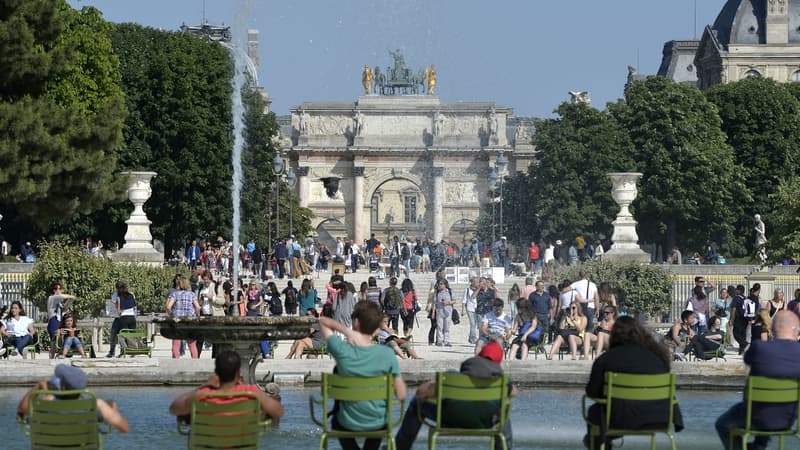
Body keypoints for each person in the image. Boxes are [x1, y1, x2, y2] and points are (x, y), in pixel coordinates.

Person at [583, 316, 683, 450]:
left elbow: (592, 391)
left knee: (595, 411)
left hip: (618, 419)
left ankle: (601, 443)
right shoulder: (657, 359)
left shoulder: (606, 359)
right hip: (658, 418)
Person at [394, 341, 517, 450]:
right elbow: (514, 392)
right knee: (503, 411)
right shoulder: (501, 383)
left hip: (448, 419)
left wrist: (434, 383)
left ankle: (400, 447)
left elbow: (420, 392)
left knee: (417, 403)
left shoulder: (450, 377)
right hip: (484, 422)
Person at [318, 301, 407, 450]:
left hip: (346, 423)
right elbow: (402, 395)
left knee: (336, 422)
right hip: (377, 423)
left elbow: (322, 321)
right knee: (379, 426)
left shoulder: (342, 350)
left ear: (356, 322)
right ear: (376, 327)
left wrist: (347, 331)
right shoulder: (387, 354)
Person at [715, 311, 800, 450]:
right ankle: (758, 446)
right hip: (788, 418)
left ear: (772, 329)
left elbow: (748, 361)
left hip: (755, 416)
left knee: (723, 424)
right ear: (797, 330)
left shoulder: (759, 348)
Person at [170, 350, 284, 424]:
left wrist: (204, 386)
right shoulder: (250, 393)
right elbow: (278, 411)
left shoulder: (203, 394)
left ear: (216, 373)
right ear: (239, 374)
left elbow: (174, 408)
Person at [17, 364, 129, 432]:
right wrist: (112, 411)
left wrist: (38, 387)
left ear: (62, 386)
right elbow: (124, 428)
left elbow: (22, 411)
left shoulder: (48, 403)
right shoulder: (94, 404)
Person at [166, 276, 200, 359]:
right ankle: (195, 361)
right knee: (192, 344)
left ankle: (176, 361)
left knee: (176, 343)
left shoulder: (175, 294)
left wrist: (171, 314)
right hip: (189, 321)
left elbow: (168, 306)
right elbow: (198, 307)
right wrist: (196, 315)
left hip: (178, 321)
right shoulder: (192, 294)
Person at [106, 281, 137, 358]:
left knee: (125, 334)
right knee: (114, 333)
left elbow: (117, 305)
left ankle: (125, 351)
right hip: (120, 317)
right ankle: (112, 351)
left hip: (122, 316)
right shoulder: (117, 294)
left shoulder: (125, 295)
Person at [46, 282, 76, 359]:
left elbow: (66, 307)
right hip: (53, 322)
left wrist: (71, 300)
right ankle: (53, 357)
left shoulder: (60, 304)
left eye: (59, 288)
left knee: (59, 340)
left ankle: (58, 355)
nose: (58, 290)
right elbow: (62, 296)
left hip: (60, 322)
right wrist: (71, 296)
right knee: (55, 341)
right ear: (53, 290)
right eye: (56, 288)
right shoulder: (51, 298)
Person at [434, 279, 455, 347]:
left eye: (441, 284)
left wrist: (448, 302)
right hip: (439, 311)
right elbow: (434, 303)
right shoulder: (437, 292)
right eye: (439, 284)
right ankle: (439, 341)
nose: (439, 285)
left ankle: (446, 341)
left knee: (447, 327)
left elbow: (454, 301)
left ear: (445, 284)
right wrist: (433, 312)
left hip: (448, 311)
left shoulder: (450, 291)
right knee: (439, 327)